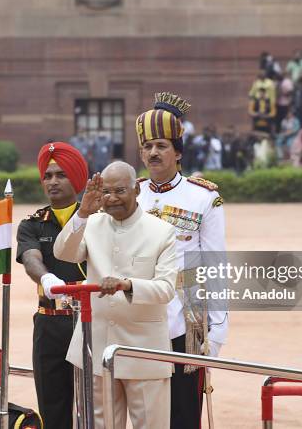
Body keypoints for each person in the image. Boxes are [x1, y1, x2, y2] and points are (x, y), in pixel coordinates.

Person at [53, 162, 177, 429]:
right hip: (95, 347)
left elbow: (166, 288)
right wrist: (83, 212)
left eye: (119, 191)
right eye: (105, 192)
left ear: (136, 189)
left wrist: (127, 284)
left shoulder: (162, 232)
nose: (111, 198)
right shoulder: (93, 223)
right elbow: (63, 253)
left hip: (144, 352)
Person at [134, 92, 228, 429]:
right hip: (139, 317)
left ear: (178, 152)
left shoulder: (204, 197)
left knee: (184, 415)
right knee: (144, 412)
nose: (154, 153)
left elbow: (216, 266)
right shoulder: (130, 195)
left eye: (161, 145)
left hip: (186, 318)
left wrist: (216, 332)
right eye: (148, 147)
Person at [15, 142, 88, 429]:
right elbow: (30, 257)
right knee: (52, 407)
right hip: (49, 324)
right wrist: (46, 278)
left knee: (92, 406)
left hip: (87, 322)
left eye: (61, 175)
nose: (53, 181)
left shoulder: (96, 219)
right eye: (48, 176)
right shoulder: (32, 224)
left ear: (76, 179)